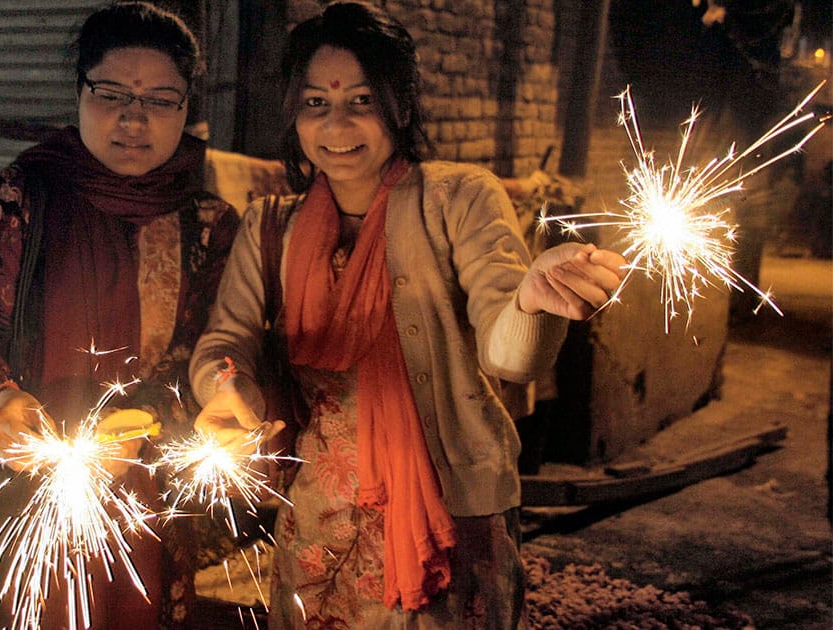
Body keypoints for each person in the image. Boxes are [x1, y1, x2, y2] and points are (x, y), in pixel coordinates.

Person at [188, 2, 627, 628]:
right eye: (316, 103)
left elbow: (510, 354)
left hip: (445, 509)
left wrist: (531, 300)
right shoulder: (270, 226)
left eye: (361, 100)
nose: (336, 123)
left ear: (399, 106)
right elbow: (225, 341)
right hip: (316, 514)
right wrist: (225, 387)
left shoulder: (459, 200)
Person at [0, 2, 239, 627]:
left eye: (161, 99)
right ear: (78, 91)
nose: (135, 119)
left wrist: (169, 415)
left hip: (145, 500)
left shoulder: (208, 224)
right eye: (112, 94)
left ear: (188, 109)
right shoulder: (20, 197)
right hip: (22, 488)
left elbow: (203, 359)